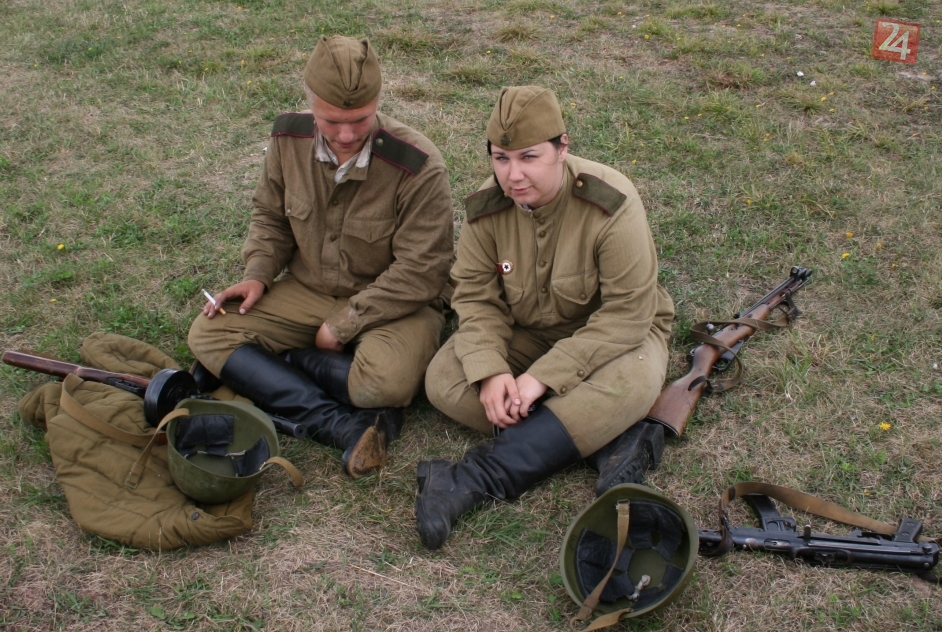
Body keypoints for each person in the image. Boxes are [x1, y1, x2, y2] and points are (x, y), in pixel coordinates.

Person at [416, 86, 675, 549]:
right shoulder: (486, 207)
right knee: (445, 381)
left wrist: (542, 378)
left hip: (619, 339)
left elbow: (628, 314)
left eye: (529, 157)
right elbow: (475, 298)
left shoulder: (611, 202)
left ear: (562, 148)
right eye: (501, 159)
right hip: (529, 330)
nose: (513, 175)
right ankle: (606, 434)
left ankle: (471, 478)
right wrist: (490, 370)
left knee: (632, 383)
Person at [188, 36, 453, 479]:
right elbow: (270, 216)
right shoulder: (287, 140)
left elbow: (422, 271)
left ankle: (278, 366)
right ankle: (339, 423)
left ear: (379, 102)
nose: (346, 136)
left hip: (395, 302)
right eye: (331, 121)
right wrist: (258, 273)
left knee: (384, 382)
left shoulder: (418, 164)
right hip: (310, 289)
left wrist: (343, 324)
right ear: (310, 102)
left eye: (361, 120)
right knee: (209, 334)